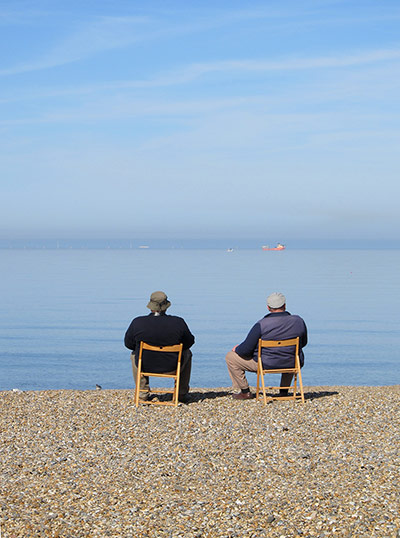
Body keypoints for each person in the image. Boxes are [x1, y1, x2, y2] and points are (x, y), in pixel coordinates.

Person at [225, 292, 307, 400]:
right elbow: (304, 342)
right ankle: (284, 391)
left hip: (265, 363)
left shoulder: (261, 324)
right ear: (285, 306)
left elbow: (245, 350)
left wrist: (237, 349)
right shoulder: (298, 321)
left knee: (230, 357)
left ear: (268, 307)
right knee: (291, 352)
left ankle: (245, 392)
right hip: (292, 362)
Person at [124, 291, 195, 403]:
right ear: (166, 306)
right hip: (172, 366)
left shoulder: (138, 322)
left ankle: (142, 393)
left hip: (146, 366)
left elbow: (128, 344)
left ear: (151, 306)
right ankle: (181, 393)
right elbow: (189, 342)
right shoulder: (178, 322)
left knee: (134, 354)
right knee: (187, 352)